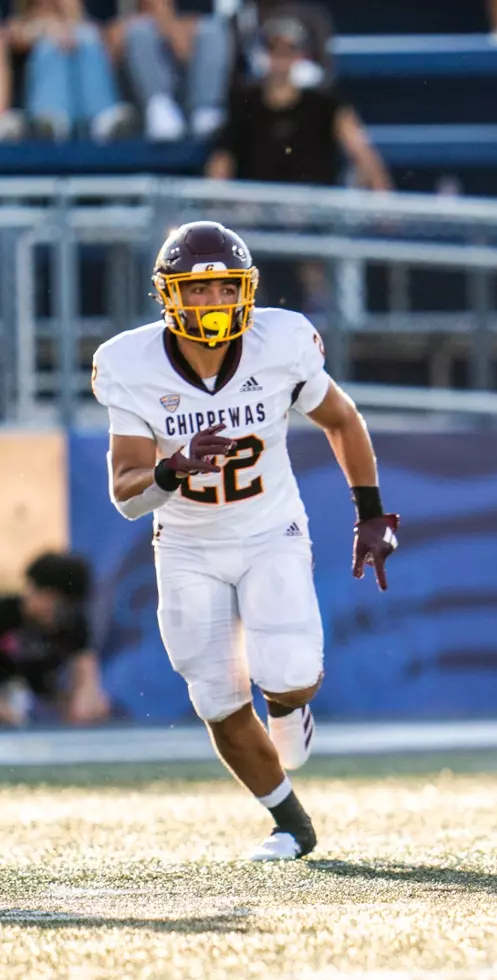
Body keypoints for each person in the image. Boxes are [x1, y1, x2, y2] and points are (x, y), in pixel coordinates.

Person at [92, 220, 399, 861]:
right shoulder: (130, 363)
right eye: (195, 292)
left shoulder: (279, 342)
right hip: (185, 543)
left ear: (246, 292)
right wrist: (174, 468)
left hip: (268, 529)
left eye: (224, 289)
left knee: (289, 671)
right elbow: (126, 493)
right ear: (168, 297)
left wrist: (369, 512)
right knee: (215, 695)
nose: (211, 304)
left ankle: (289, 708)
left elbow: (341, 418)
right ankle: (290, 822)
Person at [204, 16, 388, 190]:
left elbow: (363, 155)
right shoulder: (244, 104)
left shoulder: (325, 104)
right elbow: (221, 160)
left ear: (300, 56)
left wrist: (381, 200)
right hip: (256, 211)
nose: (281, 58)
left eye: (288, 50)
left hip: (313, 212)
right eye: (274, 49)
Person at [0, 552, 109, 727]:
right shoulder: (5, 614)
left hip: (41, 695)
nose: (54, 616)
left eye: (63, 608)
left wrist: (85, 701)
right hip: (8, 691)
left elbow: (86, 672)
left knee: (96, 706)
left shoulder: (72, 623)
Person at [6, 0, 133, 141]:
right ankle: (50, 121)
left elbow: (108, 47)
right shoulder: (19, 22)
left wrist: (70, 24)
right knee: (49, 46)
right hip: (37, 111)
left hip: (82, 104)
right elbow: (15, 36)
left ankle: (105, 118)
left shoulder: (83, 31)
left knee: (86, 37)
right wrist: (45, 29)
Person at [115, 0, 233, 141]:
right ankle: (160, 108)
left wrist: (182, 28)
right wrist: (170, 27)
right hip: (139, 79)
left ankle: (205, 112)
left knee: (213, 29)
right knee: (140, 31)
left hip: (187, 64)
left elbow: (206, 15)